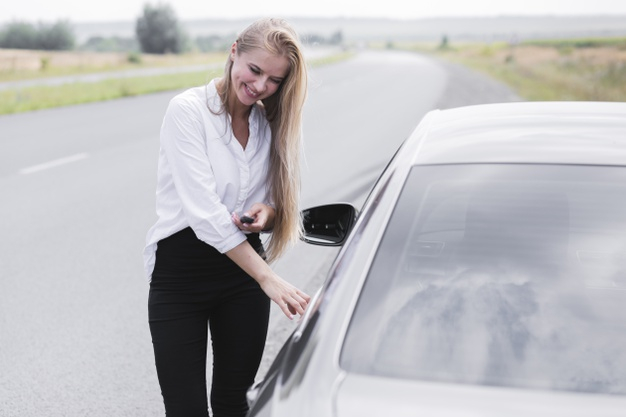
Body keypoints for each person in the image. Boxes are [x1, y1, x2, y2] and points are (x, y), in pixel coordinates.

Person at [143, 18, 311, 417]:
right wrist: (269, 278)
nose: (260, 86)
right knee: (186, 410)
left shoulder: (267, 124)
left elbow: (271, 204)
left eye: (273, 80)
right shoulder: (187, 111)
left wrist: (267, 214)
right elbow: (205, 218)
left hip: (240, 281)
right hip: (179, 277)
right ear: (234, 50)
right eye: (255, 70)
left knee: (235, 405)